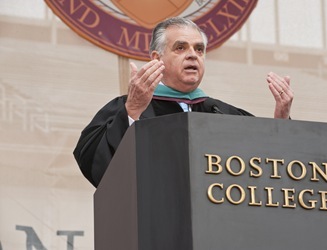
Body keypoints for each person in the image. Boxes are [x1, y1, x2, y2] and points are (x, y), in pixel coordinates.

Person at [73, 17, 293, 187]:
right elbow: (95, 164)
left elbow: (269, 174)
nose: (192, 55)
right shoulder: (126, 106)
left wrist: (281, 124)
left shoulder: (224, 114)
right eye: (180, 48)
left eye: (199, 49)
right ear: (157, 59)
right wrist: (132, 112)